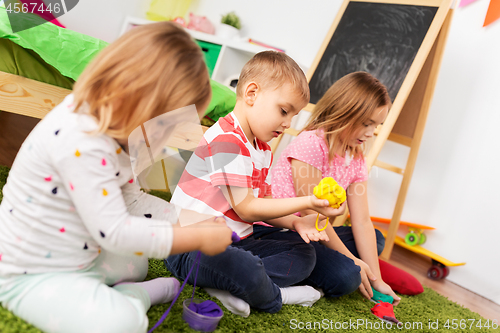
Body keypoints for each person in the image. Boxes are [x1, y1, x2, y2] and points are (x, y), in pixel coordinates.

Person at [0, 22, 233, 333]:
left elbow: (131, 200)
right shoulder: (80, 140)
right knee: (123, 323)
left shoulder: (116, 129)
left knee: (136, 262)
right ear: (141, 105)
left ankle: (115, 291)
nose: (165, 140)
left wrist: (193, 220)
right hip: (31, 275)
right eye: (167, 126)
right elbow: (115, 232)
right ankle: (134, 298)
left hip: (82, 252)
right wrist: (197, 238)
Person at [167, 51, 343, 318]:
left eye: (293, 116)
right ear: (251, 94)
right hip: (190, 245)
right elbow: (247, 209)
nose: (287, 123)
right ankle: (275, 295)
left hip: (238, 241)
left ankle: (234, 284)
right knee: (239, 265)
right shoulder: (226, 139)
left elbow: (265, 207)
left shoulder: (262, 149)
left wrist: (296, 222)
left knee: (304, 253)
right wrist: (308, 203)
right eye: (284, 111)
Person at [255, 71, 401, 305]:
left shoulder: (356, 157)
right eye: (366, 123)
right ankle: (313, 273)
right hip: (280, 230)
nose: (371, 132)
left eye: (377, 125)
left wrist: (377, 279)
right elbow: (311, 215)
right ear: (344, 113)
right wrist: (352, 261)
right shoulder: (312, 144)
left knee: (375, 238)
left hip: (315, 234)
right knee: (346, 276)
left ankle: (349, 266)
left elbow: (362, 221)